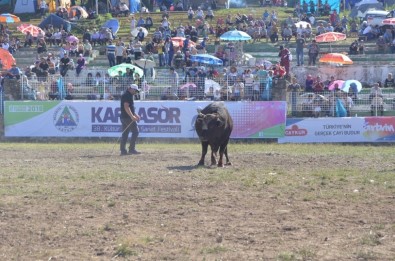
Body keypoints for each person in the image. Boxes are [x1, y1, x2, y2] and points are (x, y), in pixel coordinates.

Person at [120, 84, 141, 156]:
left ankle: (123, 150)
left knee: (125, 134)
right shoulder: (127, 95)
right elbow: (126, 107)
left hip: (123, 117)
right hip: (127, 117)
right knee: (135, 131)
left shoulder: (126, 94)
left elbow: (130, 107)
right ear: (131, 89)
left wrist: (135, 115)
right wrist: (132, 116)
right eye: (135, 90)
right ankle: (131, 149)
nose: (135, 92)